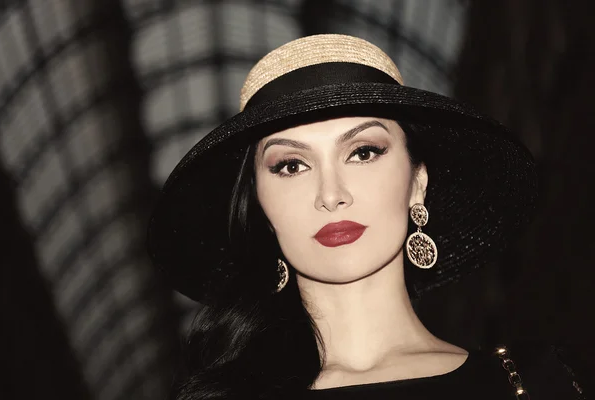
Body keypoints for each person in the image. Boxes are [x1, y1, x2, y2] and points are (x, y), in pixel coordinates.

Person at [147, 35, 589, 399]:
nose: (331, 195)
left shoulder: (535, 384)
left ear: (417, 181)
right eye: (290, 165)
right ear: (261, 207)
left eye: (363, 152)